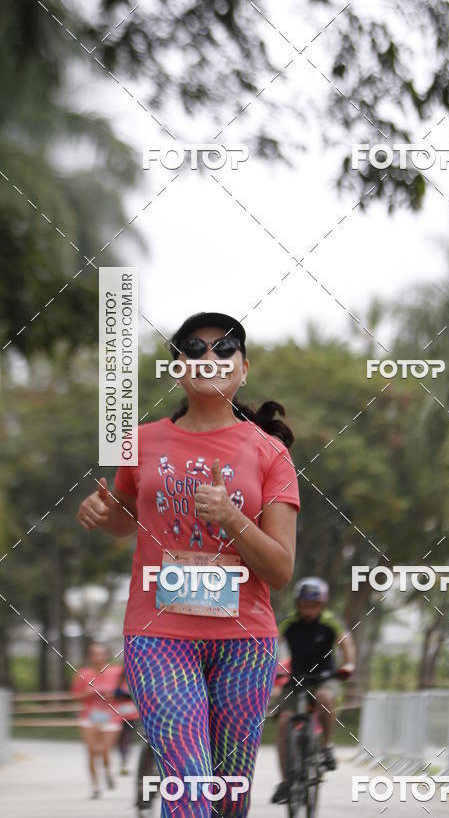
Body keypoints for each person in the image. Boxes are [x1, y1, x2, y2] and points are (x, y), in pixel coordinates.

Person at [77, 312, 301, 817]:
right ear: (177, 367)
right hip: (159, 637)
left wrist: (231, 517)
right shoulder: (141, 441)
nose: (209, 359)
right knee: (189, 782)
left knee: (227, 796)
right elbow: (126, 518)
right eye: (193, 349)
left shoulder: (270, 453)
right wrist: (102, 512)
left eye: (224, 349)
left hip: (244, 643)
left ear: (244, 368)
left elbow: (281, 568)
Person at [271, 577, 355, 805]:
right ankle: (286, 782)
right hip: (296, 678)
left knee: (324, 697)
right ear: (297, 605)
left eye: (313, 606)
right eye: (304, 606)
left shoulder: (330, 622)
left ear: (322, 606)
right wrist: (272, 668)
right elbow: (273, 642)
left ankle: (326, 746)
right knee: (284, 721)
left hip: (326, 678)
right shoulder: (289, 623)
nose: (308, 611)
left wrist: (348, 665)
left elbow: (346, 643)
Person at [70, 641, 123, 799]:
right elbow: (75, 697)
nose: (98, 657)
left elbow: (127, 693)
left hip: (111, 716)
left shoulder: (117, 672)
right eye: (94, 654)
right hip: (89, 716)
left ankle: (107, 771)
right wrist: (88, 693)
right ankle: (95, 787)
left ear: (107, 655)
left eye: (101, 653)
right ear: (89, 656)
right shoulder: (83, 674)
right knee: (92, 752)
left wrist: (113, 694)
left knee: (105, 752)